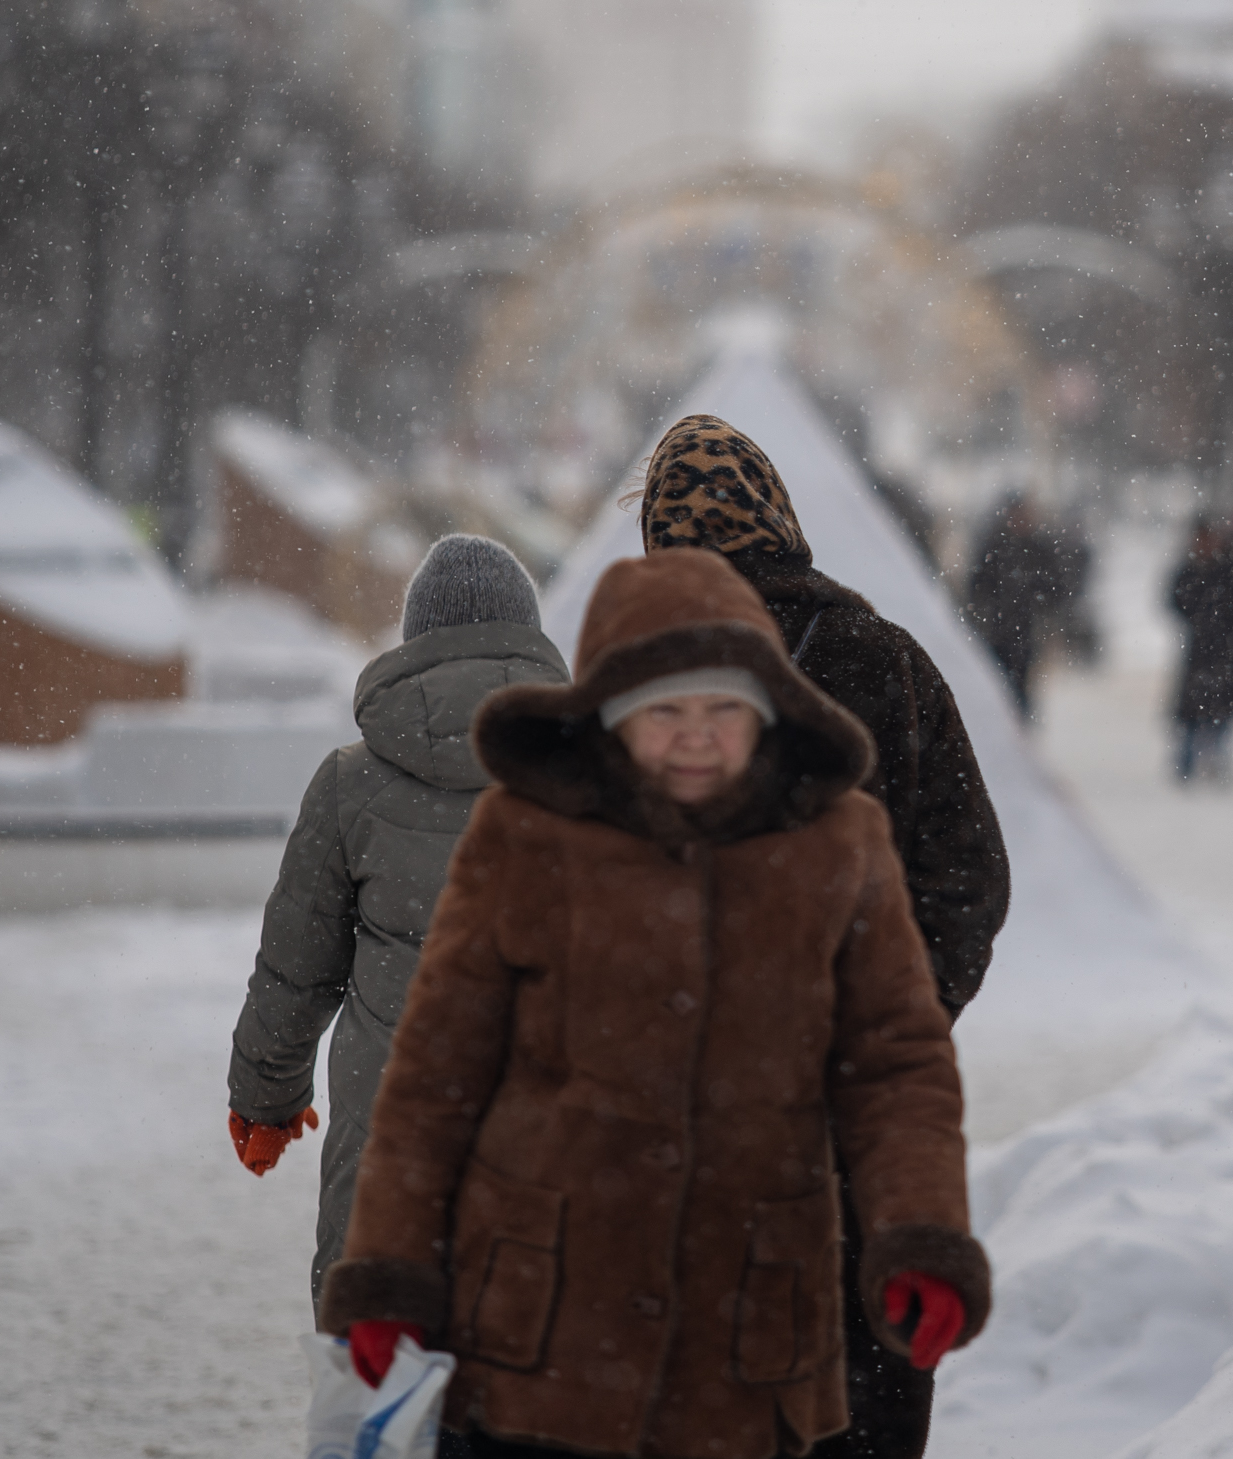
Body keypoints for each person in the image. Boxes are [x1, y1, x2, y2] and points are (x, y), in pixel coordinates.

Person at [317, 547, 992, 1459]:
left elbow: (896, 1065)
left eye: (724, 708)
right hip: (544, 1321)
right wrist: (391, 1268)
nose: (696, 735)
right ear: (611, 721)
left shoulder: (837, 850)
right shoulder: (526, 840)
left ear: (766, 713)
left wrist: (920, 1231)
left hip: (750, 1330)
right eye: (663, 710)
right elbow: (439, 1070)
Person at [636, 413, 1010, 1459]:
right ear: (781, 523)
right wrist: (897, 1009)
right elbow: (970, 872)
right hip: (859, 1125)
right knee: (859, 1392)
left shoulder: (634, 683)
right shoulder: (886, 661)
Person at [225, 534, 567, 1305]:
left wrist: (265, 1099)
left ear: (414, 644)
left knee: (377, 1399)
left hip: (388, 1165)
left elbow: (294, 968)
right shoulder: (586, 773)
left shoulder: (351, 784)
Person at [1166, 515, 1233, 786]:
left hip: (1224, 652)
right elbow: (1175, 600)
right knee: (1191, 713)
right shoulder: (1190, 570)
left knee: (1221, 711)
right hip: (1200, 651)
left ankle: (1216, 763)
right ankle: (1185, 766)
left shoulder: (1230, 569)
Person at [967, 493, 1059, 718]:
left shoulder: (1039, 548)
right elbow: (977, 587)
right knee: (994, 685)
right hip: (996, 631)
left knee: (1020, 689)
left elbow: (1055, 589)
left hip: (1026, 632)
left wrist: (1038, 601)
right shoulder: (995, 546)